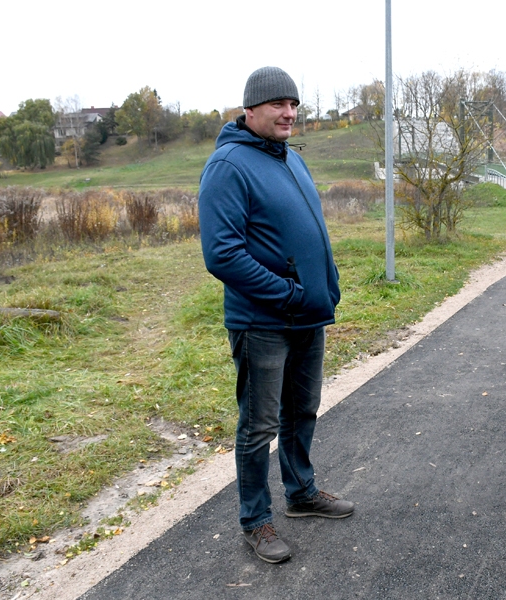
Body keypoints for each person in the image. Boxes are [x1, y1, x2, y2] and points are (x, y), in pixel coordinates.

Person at [198, 66, 353, 564]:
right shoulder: (228, 165)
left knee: (302, 411)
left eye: (294, 104)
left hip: (307, 316)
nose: (289, 113)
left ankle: (301, 492)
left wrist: (322, 285)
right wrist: (287, 292)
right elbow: (221, 254)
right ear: (251, 109)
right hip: (262, 321)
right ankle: (255, 521)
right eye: (277, 105)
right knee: (258, 426)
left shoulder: (290, 159)